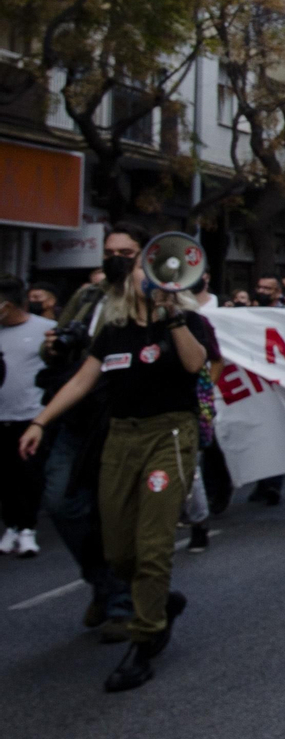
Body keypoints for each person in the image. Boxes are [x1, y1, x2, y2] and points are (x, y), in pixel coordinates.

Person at [20, 246, 217, 691]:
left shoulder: (189, 322)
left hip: (169, 437)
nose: (146, 279)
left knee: (152, 547)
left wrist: (172, 315)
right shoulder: (114, 329)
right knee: (119, 554)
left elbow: (194, 363)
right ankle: (159, 599)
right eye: (139, 272)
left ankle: (144, 640)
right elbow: (81, 381)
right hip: (121, 438)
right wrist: (40, 422)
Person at [34, 224, 145, 640]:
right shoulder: (87, 296)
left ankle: (122, 600)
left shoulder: (150, 298)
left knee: (113, 514)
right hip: (78, 416)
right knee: (62, 502)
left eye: (126, 251)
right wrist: (55, 345)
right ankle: (103, 583)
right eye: (110, 250)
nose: (116, 257)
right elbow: (62, 345)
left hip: (120, 418)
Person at [0, 276, 54, 557]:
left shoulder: (46, 330)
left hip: (32, 416)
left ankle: (28, 529)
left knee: (29, 474)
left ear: (7, 305)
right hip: (2, 415)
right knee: (6, 475)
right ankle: (10, 526)